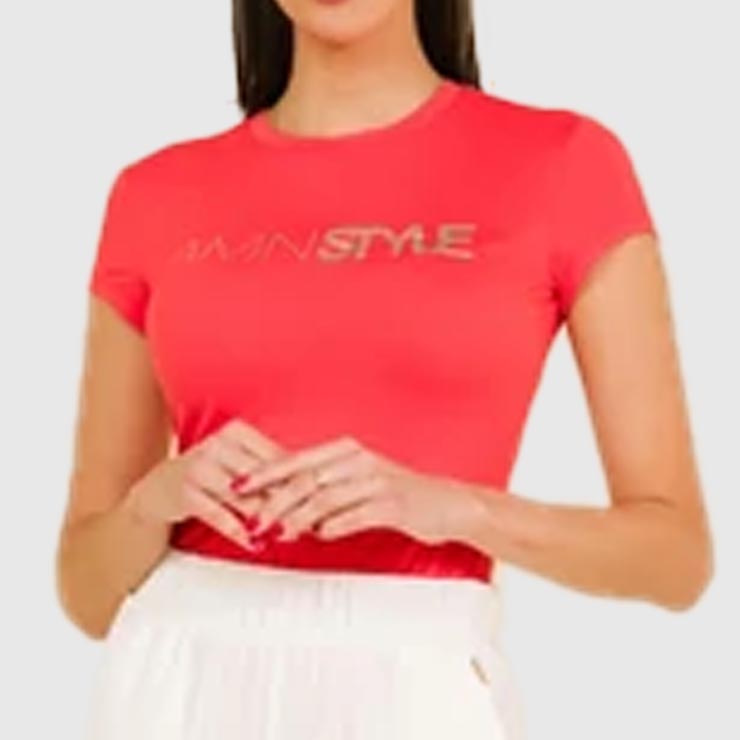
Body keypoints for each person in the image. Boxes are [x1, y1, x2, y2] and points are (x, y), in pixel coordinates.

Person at [56, 1, 714, 738]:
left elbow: (675, 559)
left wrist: (459, 511)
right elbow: (86, 592)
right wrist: (153, 504)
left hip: (416, 681)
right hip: (175, 679)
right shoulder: (155, 192)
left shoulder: (564, 163)